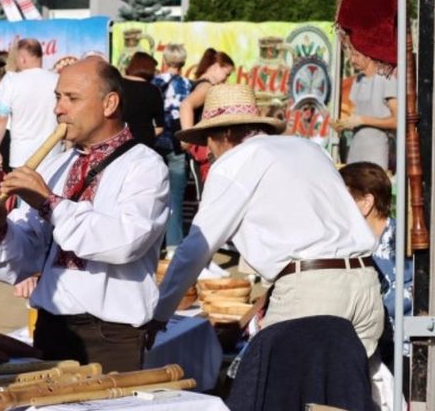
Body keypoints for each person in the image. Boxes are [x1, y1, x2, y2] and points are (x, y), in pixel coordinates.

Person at [0, 57, 170, 373]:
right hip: (52, 327)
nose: (58, 109)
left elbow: (124, 242)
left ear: (109, 104)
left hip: (111, 336)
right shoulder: (55, 163)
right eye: (57, 97)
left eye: (71, 98)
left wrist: (49, 202)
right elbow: (30, 256)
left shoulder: (145, 166)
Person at [154, 84, 383, 358]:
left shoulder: (234, 162)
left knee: (286, 392)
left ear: (224, 133)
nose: (208, 150)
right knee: (348, 391)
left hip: (313, 293)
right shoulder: (307, 148)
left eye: (208, 140)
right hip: (365, 280)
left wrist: (158, 315)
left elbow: (197, 247)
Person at [339, 162, 412, 369]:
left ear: (366, 202)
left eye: (343, 198)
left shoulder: (403, 241)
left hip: (403, 352)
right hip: (366, 348)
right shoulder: (348, 243)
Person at [0, 38, 59, 172]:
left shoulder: (10, 81)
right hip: (52, 155)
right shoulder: (57, 79)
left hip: (21, 156)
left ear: (22, 59)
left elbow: (1, 118)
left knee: (23, 193)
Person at [152, 43, 191, 257]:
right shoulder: (187, 84)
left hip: (157, 142)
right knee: (176, 195)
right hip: (178, 142)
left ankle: (155, 243)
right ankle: (174, 244)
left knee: (155, 193)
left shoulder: (155, 82)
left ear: (164, 60)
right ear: (183, 62)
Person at [333, 46, 397, 170]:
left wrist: (362, 120)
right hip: (354, 154)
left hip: (375, 156)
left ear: (369, 55)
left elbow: (397, 121)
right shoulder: (358, 80)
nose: (352, 60)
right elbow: (355, 115)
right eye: (351, 55)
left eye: (356, 55)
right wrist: (343, 124)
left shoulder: (387, 79)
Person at [180, 49, 235, 184]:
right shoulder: (207, 86)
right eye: (226, 74)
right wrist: (187, 139)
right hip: (204, 152)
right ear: (216, 66)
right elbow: (186, 105)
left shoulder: (200, 83)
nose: (226, 80)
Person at [121, 52, 164, 148]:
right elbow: (159, 127)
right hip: (143, 147)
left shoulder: (116, 85)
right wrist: (145, 138)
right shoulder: (153, 91)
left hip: (117, 145)